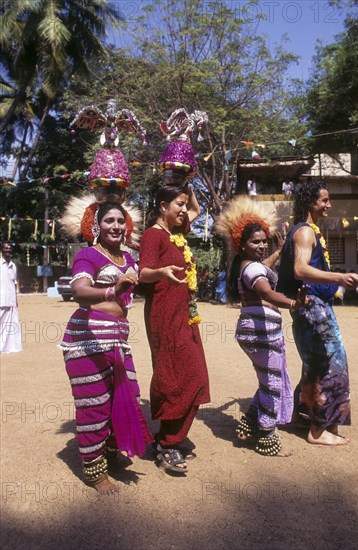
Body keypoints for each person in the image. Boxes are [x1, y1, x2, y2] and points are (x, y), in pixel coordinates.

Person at [60, 202, 152, 494]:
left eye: (120, 221)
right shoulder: (88, 255)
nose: (116, 226)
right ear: (97, 226)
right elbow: (79, 291)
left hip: (117, 342)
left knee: (125, 399)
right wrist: (113, 290)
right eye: (109, 220)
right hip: (88, 341)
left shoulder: (128, 258)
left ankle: (108, 454)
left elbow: (143, 280)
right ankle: (94, 471)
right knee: (95, 406)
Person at [216, 197, 308, 457]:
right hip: (260, 333)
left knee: (270, 380)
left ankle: (249, 422)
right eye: (255, 242)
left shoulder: (247, 265)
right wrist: (293, 302)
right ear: (242, 244)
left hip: (259, 331)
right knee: (272, 383)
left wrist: (277, 251)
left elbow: (263, 268)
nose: (261, 245)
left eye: (263, 240)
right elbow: (266, 291)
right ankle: (267, 437)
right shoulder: (252, 270)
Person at [277, 181, 358, 446]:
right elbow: (300, 270)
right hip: (312, 308)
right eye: (324, 200)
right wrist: (339, 277)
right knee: (331, 364)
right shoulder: (305, 233)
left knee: (314, 365)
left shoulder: (308, 231)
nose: (329, 205)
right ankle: (318, 430)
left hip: (311, 307)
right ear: (310, 203)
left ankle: (302, 415)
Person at [138, 185, 210, 474]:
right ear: (162, 205)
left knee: (195, 374)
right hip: (164, 314)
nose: (183, 210)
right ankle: (167, 444)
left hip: (185, 314)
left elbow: (196, 209)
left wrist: (188, 183)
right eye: (177, 204)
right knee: (173, 374)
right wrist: (161, 272)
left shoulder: (177, 234)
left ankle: (173, 437)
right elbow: (143, 271)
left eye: (183, 204)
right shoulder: (153, 235)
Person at [0, 242, 22, 353]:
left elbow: (14, 283)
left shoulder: (13, 266)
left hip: (11, 301)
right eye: (5, 248)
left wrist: (16, 300)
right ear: (1, 249)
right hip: (1, 300)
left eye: (9, 248)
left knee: (9, 326)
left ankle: (6, 347)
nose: (7, 250)